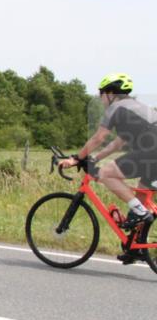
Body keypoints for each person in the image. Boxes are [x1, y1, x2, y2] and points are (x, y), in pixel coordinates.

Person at [59, 73, 157, 246]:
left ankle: (142, 214)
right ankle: (137, 247)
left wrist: (76, 158)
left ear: (111, 93)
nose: (100, 98)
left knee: (105, 174)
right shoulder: (135, 108)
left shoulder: (116, 107)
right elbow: (117, 143)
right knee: (140, 198)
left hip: (152, 153)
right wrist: (94, 158)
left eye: (101, 93)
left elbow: (99, 137)